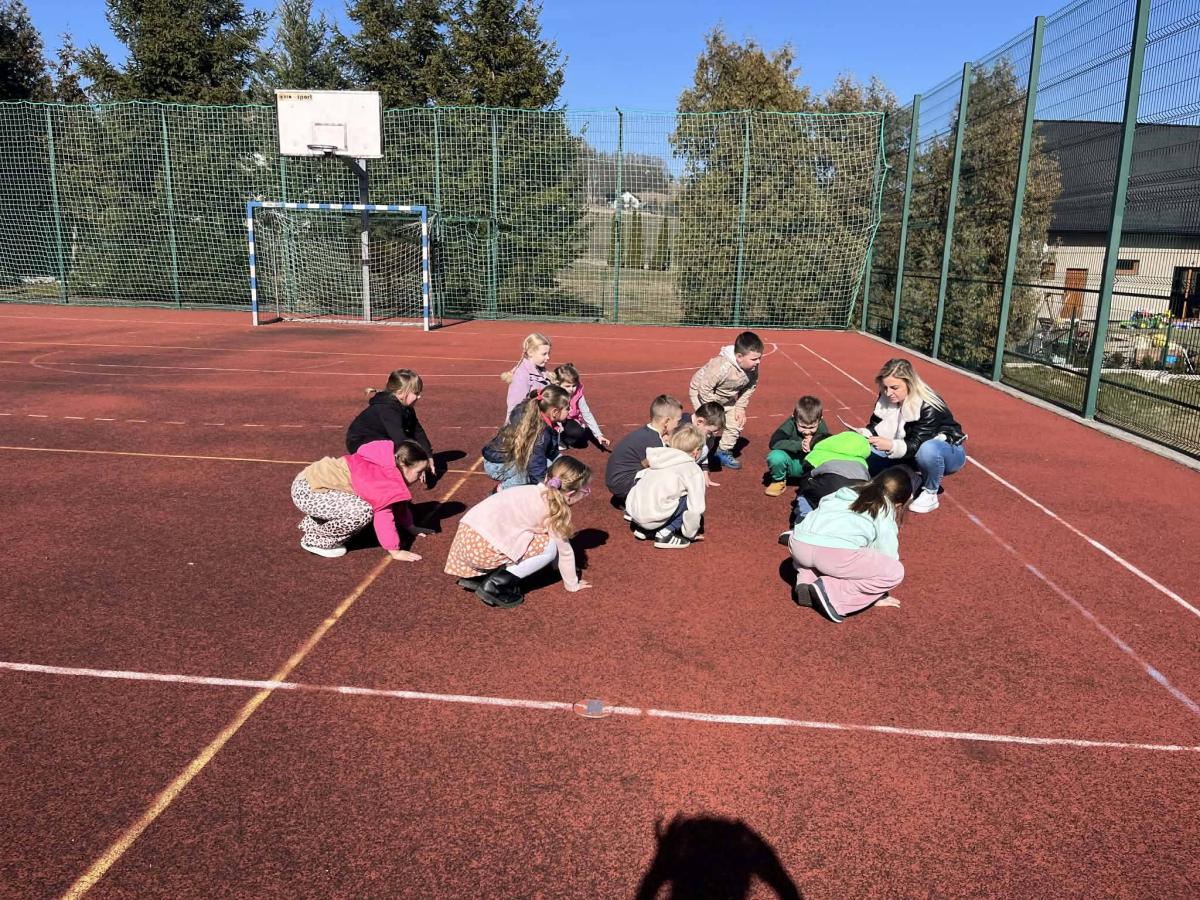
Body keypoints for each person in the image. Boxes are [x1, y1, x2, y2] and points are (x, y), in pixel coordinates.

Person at [445, 456, 594, 607]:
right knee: (549, 547)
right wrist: (572, 584)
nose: (586, 494)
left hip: (465, 538)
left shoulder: (530, 489)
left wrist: (555, 567)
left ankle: (478, 575)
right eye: (586, 491)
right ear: (570, 494)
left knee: (530, 534)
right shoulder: (553, 510)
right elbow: (564, 551)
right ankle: (496, 584)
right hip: (480, 551)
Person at [787, 466, 912, 623]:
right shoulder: (885, 508)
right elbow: (886, 553)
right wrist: (879, 593)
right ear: (898, 505)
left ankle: (807, 577)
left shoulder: (845, 491)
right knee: (894, 572)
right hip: (833, 554)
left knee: (824, 554)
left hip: (799, 543)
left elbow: (820, 509)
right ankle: (832, 593)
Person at [291, 439, 430, 560]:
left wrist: (410, 526)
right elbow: (384, 516)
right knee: (363, 511)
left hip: (309, 481)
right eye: (419, 472)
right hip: (308, 492)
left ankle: (315, 524)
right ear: (404, 466)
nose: (421, 476)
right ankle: (315, 541)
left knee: (358, 504)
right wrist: (395, 551)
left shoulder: (385, 461)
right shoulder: (382, 481)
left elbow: (397, 502)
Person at [861, 358, 966, 513]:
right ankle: (914, 477)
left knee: (928, 450)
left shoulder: (928, 404)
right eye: (885, 387)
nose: (888, 393)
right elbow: (875, 426)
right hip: (909, 451)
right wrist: (863, 434)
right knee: (867, 453)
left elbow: (918, 443)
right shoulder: (886, 397)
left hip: (946, 452)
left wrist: (891, 445)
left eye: (894, 387)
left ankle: (930, 492)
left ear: (909, 383)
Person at [776, 430, 872, 544]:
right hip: (859, 492)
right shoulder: (861, 459)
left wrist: (803, 493)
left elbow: (806, 481)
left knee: (805, 496)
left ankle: (800, 528)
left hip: (829, 485)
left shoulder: (815, 454)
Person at [346, 368, 437, 486]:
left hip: (380, 437)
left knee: (398, 450)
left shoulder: (407, 408)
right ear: (400, 393)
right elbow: (400, 439)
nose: (419, 396)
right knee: (394, 460)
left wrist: (428, 455)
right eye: (416, 393)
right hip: (361, 441)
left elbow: (417, 431)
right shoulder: (387, 409)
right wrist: (416, 462)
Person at [688, 331, 764, 470]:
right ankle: (696, 453)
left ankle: (722, 452)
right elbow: (704, 388)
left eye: (759, 358)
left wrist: (740, 407)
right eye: (754, 359)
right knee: (709, 427)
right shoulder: (721, 366)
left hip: (726, 397)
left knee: (736, 423)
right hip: (703, 394)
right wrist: (715, 412)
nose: (758, 362)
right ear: (739, 357)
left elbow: (750, 387)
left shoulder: (753, 367)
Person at [625, 424, 708, 549]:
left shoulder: (658, 458)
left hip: (636, 515)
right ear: (696, 451)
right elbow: (696, 508)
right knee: (689, 497)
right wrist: (689, 533)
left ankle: (644, 529)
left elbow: (638, 478)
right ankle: (665, 533)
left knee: (650, 484)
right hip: (655, 516)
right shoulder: (693, 469)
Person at [482, 385, 571, 490]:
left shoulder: (533, 412)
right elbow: (535, 461)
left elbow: (549, 453)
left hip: (507, 456)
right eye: (567, 408)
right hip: (498, 464)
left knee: (551, 467)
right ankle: (501, 490)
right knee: (527, 474)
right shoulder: (540, 433)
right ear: (555, 412)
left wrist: (566, 465)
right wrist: (542, 483)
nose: (570, 410)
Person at [604, 394, 683, 508]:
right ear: (666, 421)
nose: (678, 425)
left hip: (617, 481)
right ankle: (637, 503)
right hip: (623, 485)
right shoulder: (654, 441)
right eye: (677, 421)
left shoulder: (647, 433)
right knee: (668, 475)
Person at [764, 395, 830, 496]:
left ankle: (815, 483)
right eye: (803, 427)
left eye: (812, 427)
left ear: (820, 420)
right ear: (794, 418)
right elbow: (774, 442)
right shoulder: (790, 423)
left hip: (810, 466)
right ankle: (778, 481)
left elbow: (827, 446)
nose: (807, 431)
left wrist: (814, 443)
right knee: (775, 456)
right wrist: (799, 445)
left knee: (829, 459)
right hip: (792, 464)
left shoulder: (821, 426)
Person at [549, 362, 610, 450]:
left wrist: (598, 435)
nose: (571, 389)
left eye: (574, 385)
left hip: (568, 419)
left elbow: (586, 413)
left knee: (578, 434)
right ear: (558, 384)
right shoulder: (551, 392)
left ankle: (563, 439)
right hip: (553, 418)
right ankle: (552, 440)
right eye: (567, 386)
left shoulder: (578, 394)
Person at [500, 332, 552, 418]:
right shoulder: (521, 376)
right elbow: (515, 408)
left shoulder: (542, 371)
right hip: (528, 423)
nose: (548, 357)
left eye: (548, 353)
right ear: (530, 352)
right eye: (544, 354)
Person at [680, 401, 726, 487]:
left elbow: (704, 452)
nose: (710, 435)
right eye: (710, 432)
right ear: (700, 422)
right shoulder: (681, 427)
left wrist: (705, 475)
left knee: (707, 443)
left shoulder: (701, 429)